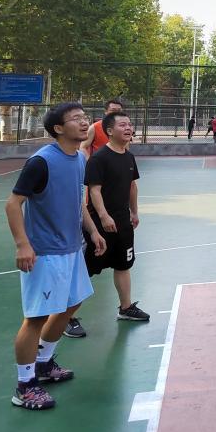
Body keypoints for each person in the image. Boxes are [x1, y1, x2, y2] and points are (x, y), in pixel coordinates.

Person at [5, 102, 107, 410]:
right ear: (59, 128)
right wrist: (23, 245)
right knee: (36, 317)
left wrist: (92, 230)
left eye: (84, 117)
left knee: (71, 305)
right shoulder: (41, 162)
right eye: (76, 119)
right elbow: (13, 204)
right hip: (46, 253)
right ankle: (24, 386)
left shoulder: (79, 158)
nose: (84, 122)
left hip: (72, 248)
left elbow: (77, 202)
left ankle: (44, 363)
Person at [72, 111, 150, 327]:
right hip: (99, 224)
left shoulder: (129, 157)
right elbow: (94, 190)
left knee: (123, 264)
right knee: (86, 270)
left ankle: (126, 308)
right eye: (122, 125)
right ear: (109, 131)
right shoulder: (99, 158)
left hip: (123, 222)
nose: (128, 128)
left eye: (130, 124)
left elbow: (132, 186)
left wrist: (134, 212)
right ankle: (65, 317)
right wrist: (104, 216)